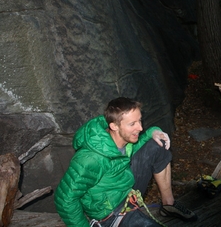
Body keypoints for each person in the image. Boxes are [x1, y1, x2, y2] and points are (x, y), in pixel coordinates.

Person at [55, 97, 197, 227]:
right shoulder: (90, 159)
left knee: (158, 144)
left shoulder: (123, 139)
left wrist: (153, 131)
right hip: (110, 213)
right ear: (114, 126)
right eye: (132, 124)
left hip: (126, 188)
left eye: (140, 120)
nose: (140, 128)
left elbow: (138, 144)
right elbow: (65, 199)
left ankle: (168, 205)